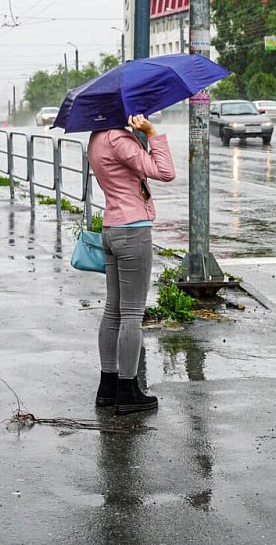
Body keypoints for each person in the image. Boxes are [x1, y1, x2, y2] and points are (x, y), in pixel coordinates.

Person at [88, 114, 175, 415]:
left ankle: (107, 385)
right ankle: (128, 390)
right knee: (132, 314)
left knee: (113, 310)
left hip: (111, 228)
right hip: (133, 230)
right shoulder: (118, 139)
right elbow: (164, 171)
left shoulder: (96, 138)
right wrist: (150, 133)